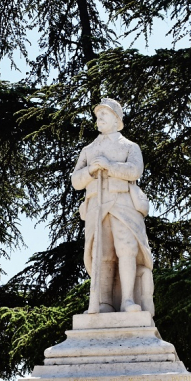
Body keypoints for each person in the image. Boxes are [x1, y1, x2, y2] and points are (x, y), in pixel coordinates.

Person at [71, 97, 155, 315]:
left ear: (117, 119)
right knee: (103, 252)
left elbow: (135, 171)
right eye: (98, 116)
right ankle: (104, 302)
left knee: (127, 248)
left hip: (123, 202)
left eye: (104, 115)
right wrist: (90, 171)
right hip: (96, 205)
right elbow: (76, 181)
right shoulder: (89, 150)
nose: (99, 119)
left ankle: (127, 300)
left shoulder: (130, 147)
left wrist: (109, 166)